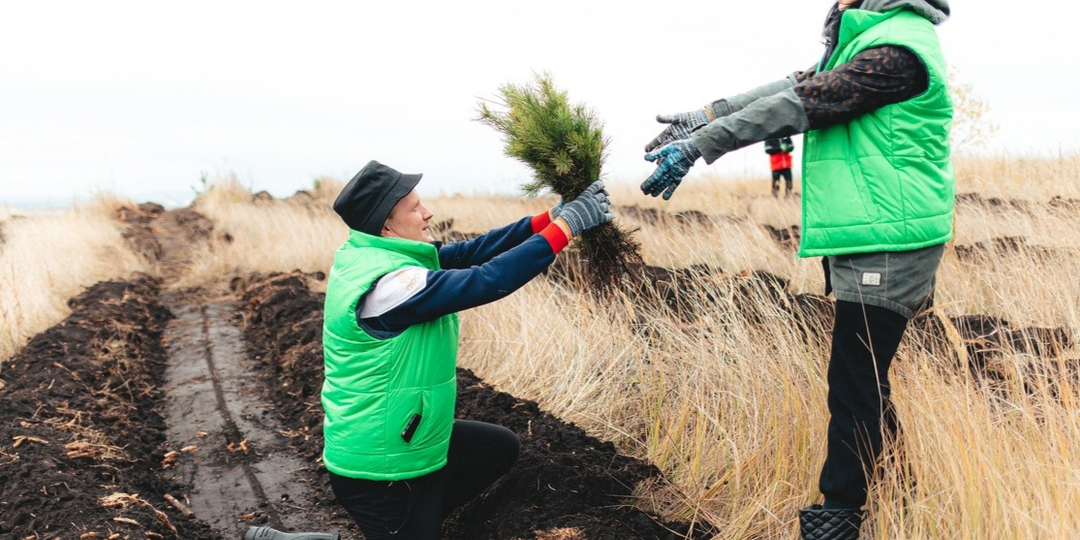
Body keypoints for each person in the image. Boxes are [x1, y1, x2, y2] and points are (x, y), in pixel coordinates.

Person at [640, 1, 953, 539]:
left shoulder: (900, 48)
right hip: (873, 230)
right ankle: (898, 498)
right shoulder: (868, 38)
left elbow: (807, 101)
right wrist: (709, 115)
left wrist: (704, 143)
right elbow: (796, 83)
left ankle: (841, 515)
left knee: (854, 377)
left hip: (892, 238)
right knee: (865, 378)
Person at [248, 160, 612, 540]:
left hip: (403, 440)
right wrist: (566, 229)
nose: (428, 212)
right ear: (386, 225)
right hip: (380, 467)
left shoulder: (376, 252)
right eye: (415, 207)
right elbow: (486, 281)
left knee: (497, 448)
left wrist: (549, 218)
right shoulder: (387, 285)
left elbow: (472, 252)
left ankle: (416, 525)